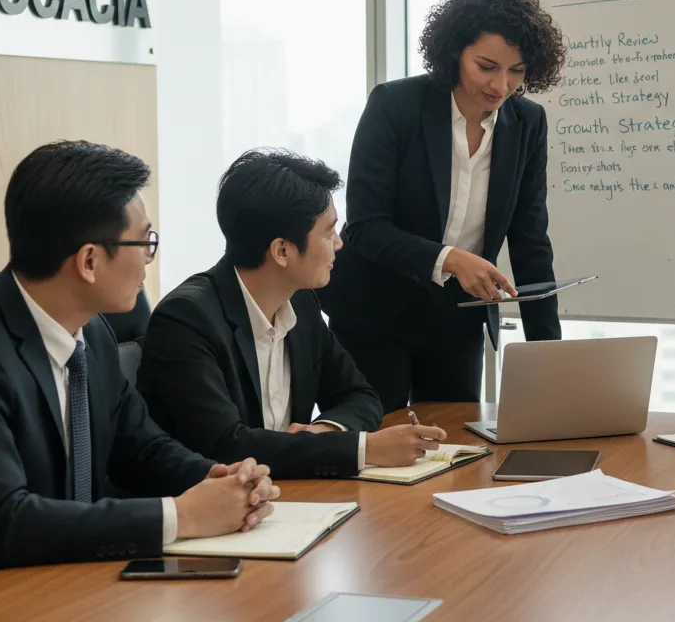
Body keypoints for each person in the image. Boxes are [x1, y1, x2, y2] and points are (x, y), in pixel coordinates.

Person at [0, 142, 279, 609]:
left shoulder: (91, 331)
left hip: (68, 582)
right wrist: (181, 516)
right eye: (144, 242)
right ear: (89, 261)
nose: (149, 259)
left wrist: (218, 479)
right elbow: (5, 522)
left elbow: (140, 448)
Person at [320, 0, 564, 412]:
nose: (501, 85)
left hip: (458, 319)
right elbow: (365, 228)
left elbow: (531, 241)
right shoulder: (395, 105)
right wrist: (450, 259)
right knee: (377, 440)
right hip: (375, 313)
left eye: (517, 71)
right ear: (455, 52)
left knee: (457, 442)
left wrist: (549, 356)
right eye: (487, 66)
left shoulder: (528, 124)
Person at [137, 150, 446, 478]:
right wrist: (363, 448)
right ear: (282, 251)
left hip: (287, 492)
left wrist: (325, 431)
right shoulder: (187, 320)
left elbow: (360, 395)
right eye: (328, 232)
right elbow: (226, 446)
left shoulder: (301, 303)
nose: (339, 244)